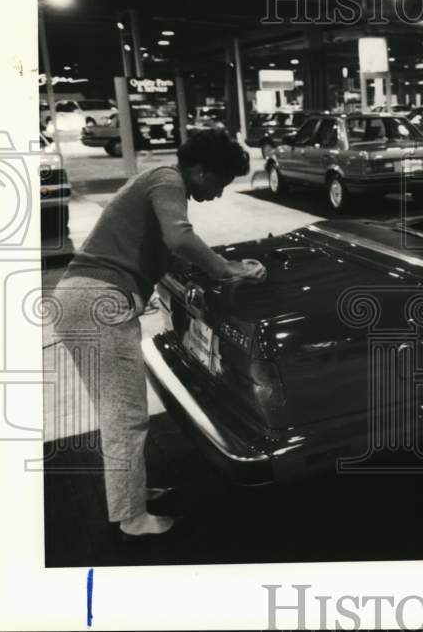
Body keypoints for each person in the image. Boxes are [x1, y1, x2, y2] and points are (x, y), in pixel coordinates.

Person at [51, 129, 266, 538]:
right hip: (100, 301)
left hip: (84, 298)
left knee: (117, 411)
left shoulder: (155, 182)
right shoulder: (167, 179)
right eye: (219, 183)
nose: (218, 194)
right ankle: (132, 519)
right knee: (126, 415)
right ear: (200, 170)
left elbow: (170, 257)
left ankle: (129, 495)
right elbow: (180, 237)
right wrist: (227, 268)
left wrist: (214, 271)